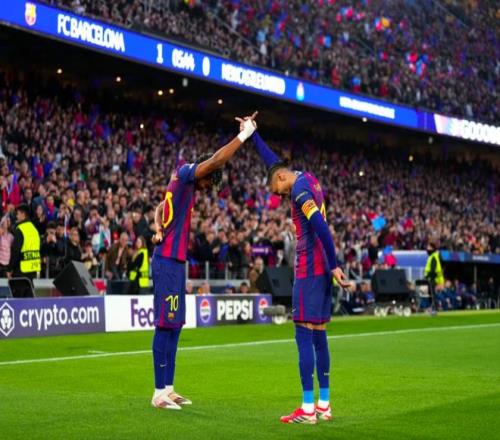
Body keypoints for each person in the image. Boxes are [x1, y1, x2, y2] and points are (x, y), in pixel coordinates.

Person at [149, 112, 258, 410]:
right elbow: (216, 160)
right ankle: (157, 393)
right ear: (203, 173)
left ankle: (168, 388)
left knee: (175, 325)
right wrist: (244, 135)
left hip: (175, 261)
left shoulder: (181, 183)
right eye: (209, 183)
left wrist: (158, 225)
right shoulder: (187, 174)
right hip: (167, 261)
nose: (207, 188)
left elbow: (160, 208)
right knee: (164, 325)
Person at [250, 129, 349, 424]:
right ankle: (323, 405)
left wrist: (334, 265)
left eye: (278, 191)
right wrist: (252, 135)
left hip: (310, 269)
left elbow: (321, 227)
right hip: (320, 270)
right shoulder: (307, 178)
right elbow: (272, 162)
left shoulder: (299, 192)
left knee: (303, 334)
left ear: (282, 178)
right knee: (319, 334)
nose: (280, 197)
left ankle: (307, 409)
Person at [8, 204, 41, 297]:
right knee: (29, 299)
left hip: (21, 270)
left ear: (23, 214)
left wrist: (10, 268)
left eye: (18, 214)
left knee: (18, 300)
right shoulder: (34, 229)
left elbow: (15, 251)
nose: (16, 216)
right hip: (33, 269)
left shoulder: (20, 229)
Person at [424, 242, 444, 313]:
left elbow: (433, 269)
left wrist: (427, 276)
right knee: (431, 294)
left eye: (428, 247)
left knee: (432, 294)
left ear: (432, 248)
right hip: (433, 278)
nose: (427, 249)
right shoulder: (433, 256)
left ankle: (434, 308)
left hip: (433, 278)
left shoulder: (433, 257)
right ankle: (433, 307)